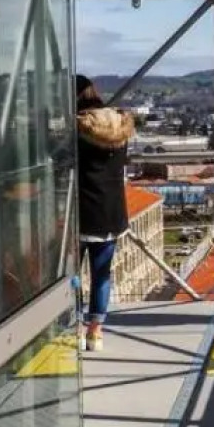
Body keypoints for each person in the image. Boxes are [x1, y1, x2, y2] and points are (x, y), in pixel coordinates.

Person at [74, 75, 135, 352]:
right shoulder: (120, 128)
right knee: (102, 274)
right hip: (110, 212)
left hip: (79, 211)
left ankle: (74, 326)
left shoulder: (76, 130)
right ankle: (95, 333)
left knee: (70, 275)